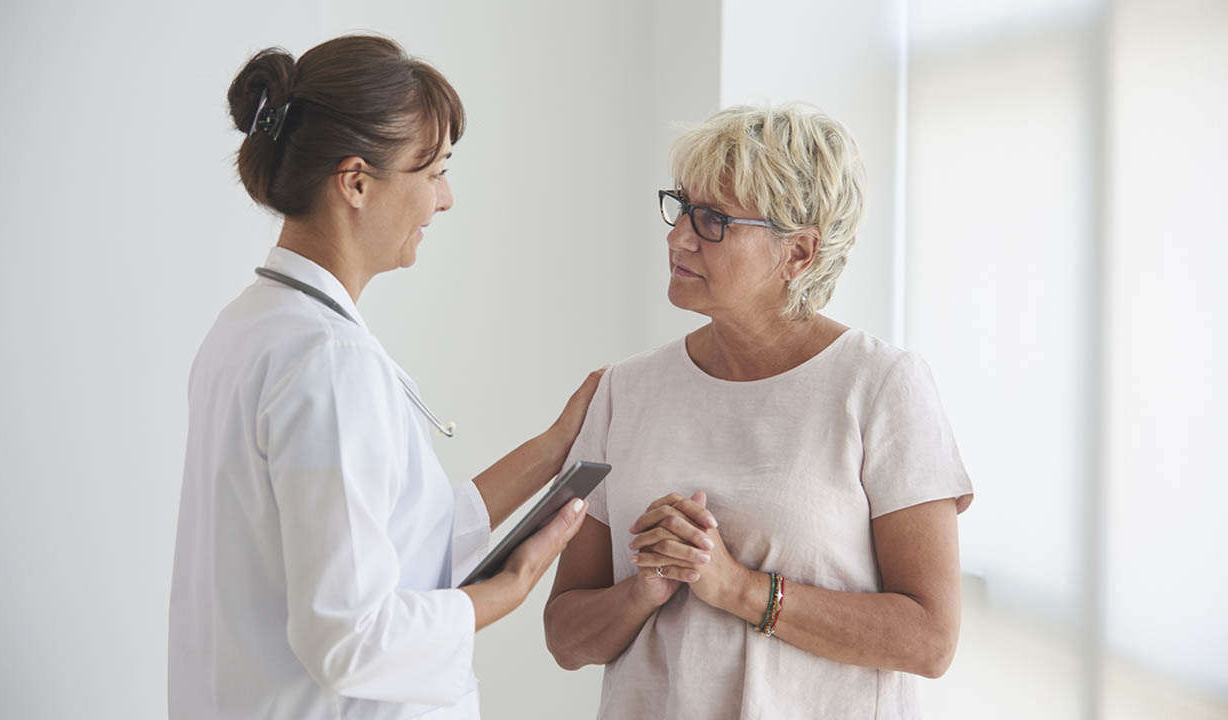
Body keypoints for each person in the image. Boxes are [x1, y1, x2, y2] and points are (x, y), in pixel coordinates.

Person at [169, 35, 599, 719]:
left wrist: (556, 447)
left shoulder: (251, 328)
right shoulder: (328, 363)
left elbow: (402, 535)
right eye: (432, 172)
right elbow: (348, 638)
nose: (446, 199)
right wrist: (506, 590)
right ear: (357, 182)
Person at [543, 105, 974, 719]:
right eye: (682, 207)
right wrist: (645, 588)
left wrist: (738, 588)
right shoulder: (624, 390)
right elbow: (565, 638)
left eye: (713, 220)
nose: (679, 237)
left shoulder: (882, 386)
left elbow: (930, 641)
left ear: (798, 253)